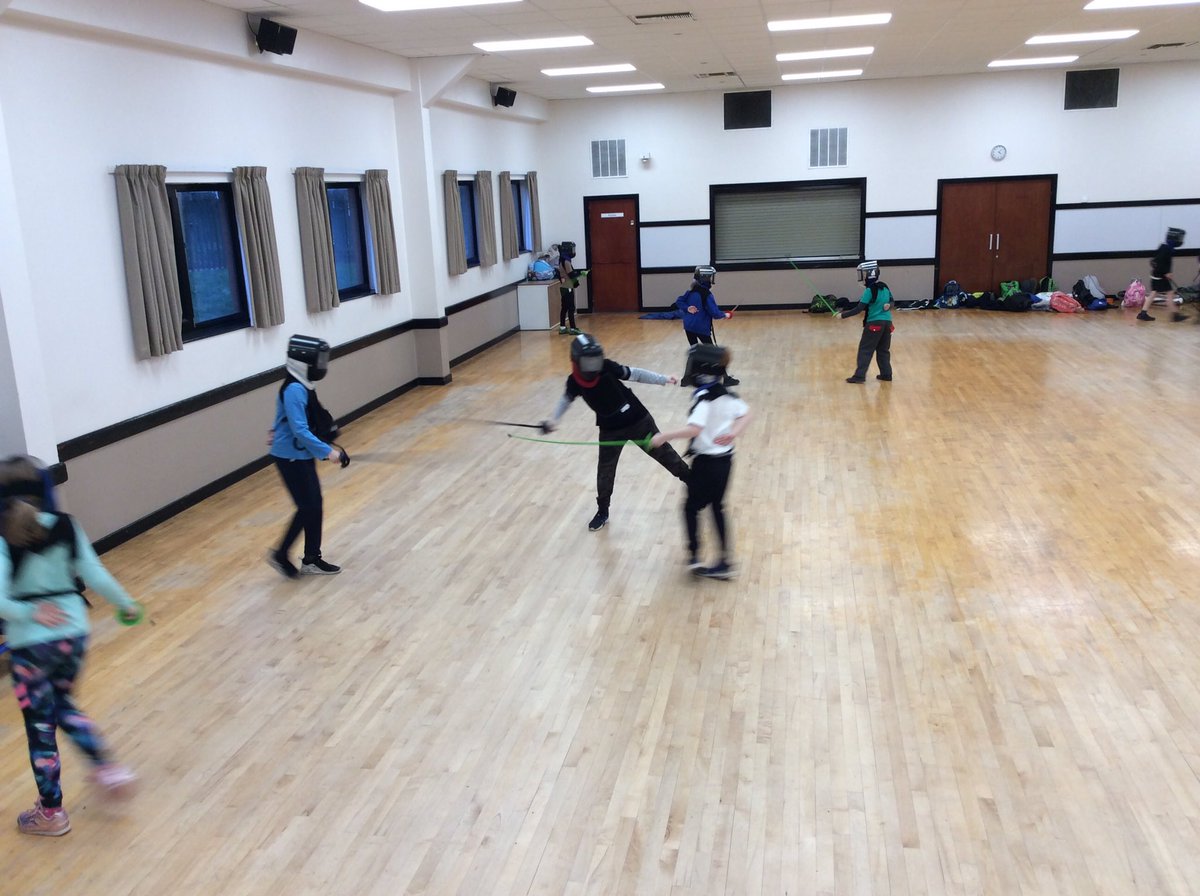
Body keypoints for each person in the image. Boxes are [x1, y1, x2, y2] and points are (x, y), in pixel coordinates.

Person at [0, 455, 141, 837]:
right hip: (73, 635)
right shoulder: (66, 525)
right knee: (63, 704)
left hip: (31, 646)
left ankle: (51, 813)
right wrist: (127, 604)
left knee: (40, 727)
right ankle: (106, 766)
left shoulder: (1, 535)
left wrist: (29, 613)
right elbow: (95, 573)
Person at [541, 333, 690, 531]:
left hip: (638, 421)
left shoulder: (607, 367)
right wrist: (553, 420)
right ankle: (603, 511)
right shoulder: (574, 381)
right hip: (610, 429)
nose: (593, 366)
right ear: (576, 362)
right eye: (588, 362)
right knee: (605, 472)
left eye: (596, 360)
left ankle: (694, 482)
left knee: (666, 456)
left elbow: (635, 373)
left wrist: (662, 379)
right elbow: (565, 400)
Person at [651, 345, 752, 580]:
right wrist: (733, 432)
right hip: (725, 461)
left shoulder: (704, 400)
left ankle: (695, 556)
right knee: (717, 506)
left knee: (690, 508)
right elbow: (747, 414)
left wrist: (664, 437)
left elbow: (694, 429)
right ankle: (725, 562)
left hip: (706, 464)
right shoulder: (728, 395)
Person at [267, 334, 347, 578]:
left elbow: (288, 419)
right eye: (318, 360)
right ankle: (281, 554)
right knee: (308, 506)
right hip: (290, 456)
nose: (321, 366)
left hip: (298, 454)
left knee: (313, 505)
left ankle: (311, 557)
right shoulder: (294, 389)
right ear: (303, 362)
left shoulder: (301, 386)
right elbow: (299, 429)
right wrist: (328, 452)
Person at [674, 266, 740, 386]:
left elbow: (679, 301)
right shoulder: (707, 295)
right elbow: (714, 313)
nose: (711, 279)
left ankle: (686, 379)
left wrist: (687, 308)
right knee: (714, 353)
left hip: (689, 327)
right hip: (700, 328)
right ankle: (725, 379)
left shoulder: (690, 292)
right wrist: (726, 315)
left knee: (694, 350)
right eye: (710, 277)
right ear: (705, 279)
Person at [841, 260, 894, 383]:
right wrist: (889, 305)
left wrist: (843, 315)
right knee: (883, 350)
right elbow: (892, 302)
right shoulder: (885, 287)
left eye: (864, 274)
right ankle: (886, 374)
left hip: (874, 324)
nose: (863, 277)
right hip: (888, 324)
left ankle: (859, 376)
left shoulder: (869, 290)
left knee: (865, 349)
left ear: (869, 275)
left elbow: (859, 308)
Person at [1138, 227, 1186, 322]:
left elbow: (1153, 261)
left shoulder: (1164, 247)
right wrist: (1166, 273)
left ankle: (1143, 313)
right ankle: (1175, 316)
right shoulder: (1167, 249)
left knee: (1153, 293)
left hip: (1156, 275)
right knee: (1170, 293)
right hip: (1160, 277)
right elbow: (1158, 262)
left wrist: (1165, 272)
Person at [555, 241, 583, 336]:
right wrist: (576, 283)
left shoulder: (561, 259)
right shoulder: (566, 261)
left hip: (563, 287)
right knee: (571, 308)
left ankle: (562, 327)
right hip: (568, 287)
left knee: (564, 308)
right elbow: (571, 274)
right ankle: (573, 328)